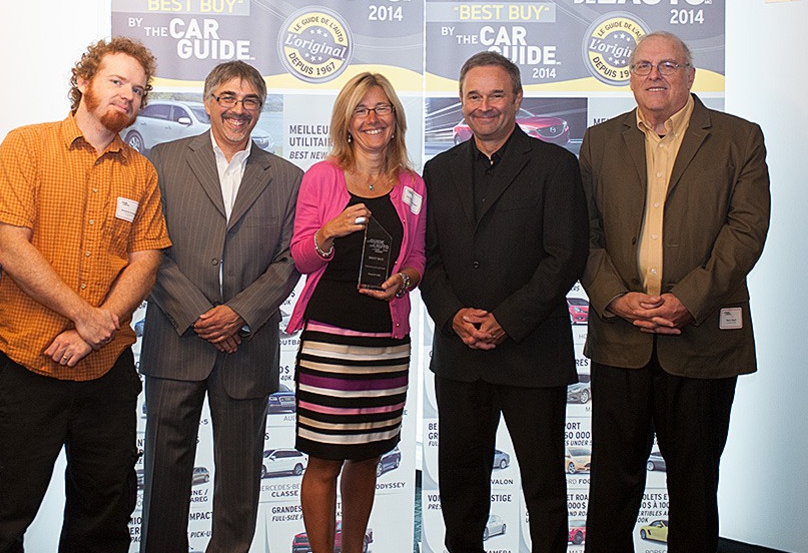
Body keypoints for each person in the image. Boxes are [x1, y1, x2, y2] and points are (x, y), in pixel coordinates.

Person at [0, 37, 170, 552]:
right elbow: (10, 247)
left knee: (104, 518)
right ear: (83, 81)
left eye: (138, 90)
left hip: (107, 373)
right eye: (116, 81)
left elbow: (146, 260)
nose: (127, 96)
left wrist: (96, 330)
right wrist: (84, 316)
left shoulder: (141, 172)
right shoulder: (26, 147)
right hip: (29, 366)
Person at [580, 31, 770, 553]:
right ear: (630, 78)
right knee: (611, 487)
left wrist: (690, 299)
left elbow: (746, 231)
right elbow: (582, 233)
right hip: (622, 341)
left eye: (668, 65)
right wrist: (614, 297)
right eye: (643, 65)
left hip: (703, 342)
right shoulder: (600, 141)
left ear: (690, 75)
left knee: (695, 487)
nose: (655, 75)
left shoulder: (739, 138)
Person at [420, 51, 588, 553]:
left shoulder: (556, 165)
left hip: (531, 352)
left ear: (517, 99)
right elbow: (428, 257)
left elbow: (565, 257)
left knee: (544, 488)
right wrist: (453, 315)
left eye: (496, 94)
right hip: (460, 353)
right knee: (460, 489)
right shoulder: (438, 169)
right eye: (474, 96)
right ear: (461, 102)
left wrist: (505, 320)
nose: (485, 105)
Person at [140, 60, 302, 552]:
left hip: (246, 349)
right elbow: (147, 247)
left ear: (260, 109)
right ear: (209, 103)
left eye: (250, 100)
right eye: (228, 97)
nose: (238, 109)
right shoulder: (162, 161)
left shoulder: (288, 177)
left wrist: (238, 315)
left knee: (239, 487)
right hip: (176, 342)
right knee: (164, 480)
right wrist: (199, 315)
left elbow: (289, 260)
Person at [286, 72, 426, 552]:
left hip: (387, 343)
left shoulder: (412, 185)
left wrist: (405, 280)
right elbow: (301, 256)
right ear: (346, 122)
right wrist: (329, 231)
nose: (372, 118)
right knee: (324, 459)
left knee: (367, 456)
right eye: (361, 110)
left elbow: (418, 257)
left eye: (382, 108)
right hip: (330, 340)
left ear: (395, 119)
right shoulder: (321, 176)